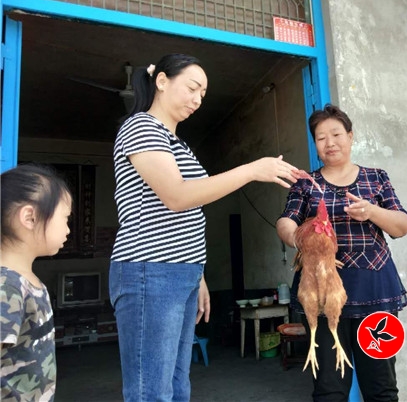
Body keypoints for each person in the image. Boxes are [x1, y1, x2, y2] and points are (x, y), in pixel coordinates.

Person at [110, 53, 298, 402]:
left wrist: (197, 276)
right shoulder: (141, 127)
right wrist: (251, 170)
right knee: (152, 391)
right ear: (162, 81)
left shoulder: (177, 142)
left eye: (203, 94)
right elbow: (178, 197)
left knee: (177, 386)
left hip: (179, 271)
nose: (197, 99)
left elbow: (185, 216)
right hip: (150, 270)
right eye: (192, 88)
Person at [276, 104, 407, 402]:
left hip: (374, 290)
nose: (330, 142)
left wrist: (372, 211)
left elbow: (402, 225)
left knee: (382, 387)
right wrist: (300, 239)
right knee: (329, 389)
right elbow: (286, 221)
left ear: (350, 136)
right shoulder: (305, 183)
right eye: (321, 137)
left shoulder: (376, 177)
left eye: (336, 134)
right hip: (321, 291)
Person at [1, 163, 73, 401]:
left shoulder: (29, 282)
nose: (68, 230)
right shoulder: (7, 285)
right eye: (65, 218)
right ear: (30, 217)